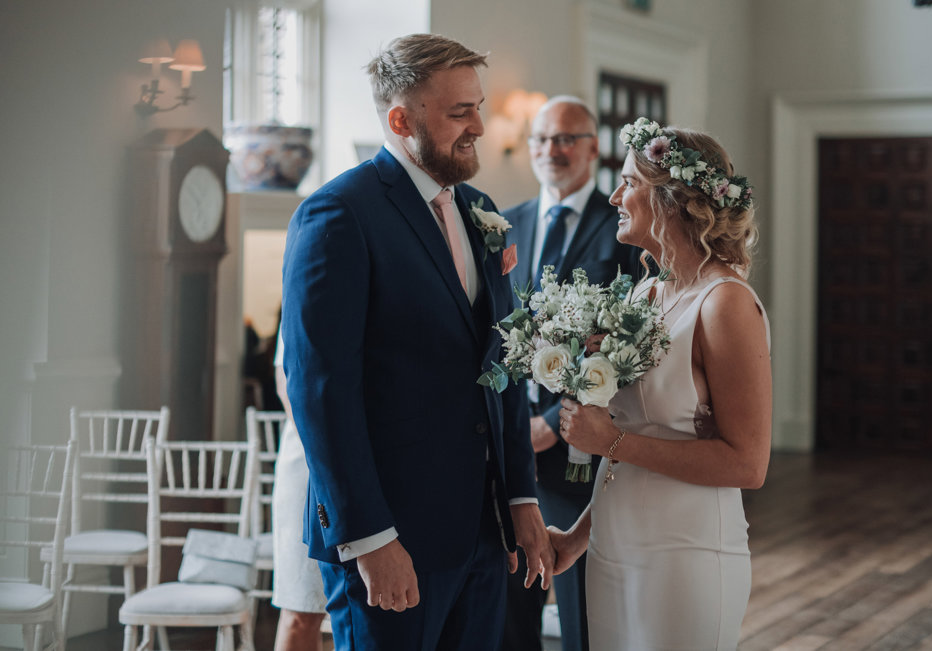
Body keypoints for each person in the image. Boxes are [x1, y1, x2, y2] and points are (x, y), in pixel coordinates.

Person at [280, 33, 555, 651]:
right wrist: (370, 538)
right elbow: (322, 392)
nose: (478, 126)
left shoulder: (480, 210)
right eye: (460, 112)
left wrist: (520, 495)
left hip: (483, 534)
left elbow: (506, 361)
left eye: (478, 107)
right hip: (391, 537)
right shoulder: (338, 215)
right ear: (402, 121)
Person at [550, 119, 772, 651]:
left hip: (685, 554)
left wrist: (610, 442)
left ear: (673, 201)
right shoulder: (645, 296)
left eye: (628, 183)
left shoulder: (724, 303)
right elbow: (632, 437)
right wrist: (578, 539)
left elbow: (748, 463)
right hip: (612, 550)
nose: (614, 197)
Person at [501, 96, 638, 651]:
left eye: (564, 139)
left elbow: (633, 341)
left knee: (583, 608)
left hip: (580, 455)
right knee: (510, 611)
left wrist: (556, 420)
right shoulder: (505, 224)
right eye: (540, 139)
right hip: (509, 454)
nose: (550, 150)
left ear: (592, 148)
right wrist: (513, 425)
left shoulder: (623, 226)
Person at [270, 331, 326, 651]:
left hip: (380, 468)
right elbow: (287, 382)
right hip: (308, 466)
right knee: (301, 608)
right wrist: (330, 459)